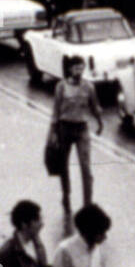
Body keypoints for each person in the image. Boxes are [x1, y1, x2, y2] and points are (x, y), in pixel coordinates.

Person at [49, 56, 103, 212]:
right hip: (64, 129)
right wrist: (53, 132)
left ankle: (87, 205)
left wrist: (100, 122)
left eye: (81, 68)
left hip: (82, 129)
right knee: (63, 166)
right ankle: (66, 195)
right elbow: (55, 111)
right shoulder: (61, 86)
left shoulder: (89, 87)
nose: (79, 71)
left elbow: (95, 107)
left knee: (86, 168)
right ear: (69, 69)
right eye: (76, 68)